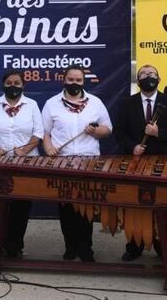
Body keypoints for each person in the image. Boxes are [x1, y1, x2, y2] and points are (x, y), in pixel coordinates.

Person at [113, 64, 167, 261]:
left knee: (162, 204)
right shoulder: (127, 103)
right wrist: (131, 147)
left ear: (159, 79)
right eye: (143, 74)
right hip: (135, 162)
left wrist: (158, 132)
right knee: (134, 205)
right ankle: (135, 245)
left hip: (161, 162)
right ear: (138, 81)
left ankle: (164, 246)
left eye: (152, 74)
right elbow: (118, 131)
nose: (148, 77)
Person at [42, 64, 112, 262]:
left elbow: (108, 129)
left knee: (85, 207)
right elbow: (45, 133)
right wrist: (48, 149)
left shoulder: (95, 103)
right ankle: (70, 247)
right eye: (71, 80)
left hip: (88, 161)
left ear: (84, 81)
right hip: (62, 162)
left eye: (78, 80)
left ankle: (86, 248)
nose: (74, 83)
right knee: (66, 208)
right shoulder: (52, 103)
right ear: (64, 81)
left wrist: (96, 131)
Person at [0, 69, 43, 259]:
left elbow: (38, 133)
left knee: (21, 206)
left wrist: (24, 151)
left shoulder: (32, 105)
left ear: (24, 85)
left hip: (26, 163)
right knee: (2, 206)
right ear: (3, 85)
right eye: (9, 83)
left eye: (17, 83)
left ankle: (15, 247)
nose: (13, 86)